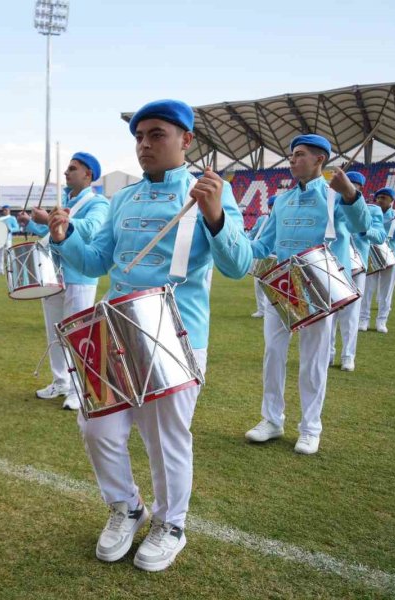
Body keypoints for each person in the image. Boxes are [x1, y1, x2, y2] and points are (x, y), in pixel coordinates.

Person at [47, 100, 252, 571]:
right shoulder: (123, 198)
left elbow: (238, 265)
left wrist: (216, 214)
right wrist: (64, 238)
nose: (144, 145)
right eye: (139, 137)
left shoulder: (209, 192)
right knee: (95, 427)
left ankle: (171, 523)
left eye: (157, 134)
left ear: (187, 140)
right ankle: (126, 507)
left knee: (166, 438)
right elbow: (96, 260)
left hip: (176, 333)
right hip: (115, 328)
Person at [245, 134, 371, 455]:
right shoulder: (283, 201)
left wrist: (351, 194)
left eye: (299, 154)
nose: (292, 160)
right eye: (291, 155)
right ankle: (271, 420)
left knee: (313, 360)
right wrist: (234, 245)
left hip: (318, 286)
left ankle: (310, 427)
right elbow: (263, 245)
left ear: (320, 160)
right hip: (283, 284)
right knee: (273, 354)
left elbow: (362, 225)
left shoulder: (333, 197)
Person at [18, 152, 109, 410]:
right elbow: (52, 231)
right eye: (67, 168)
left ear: (88, 174)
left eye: (73, 168)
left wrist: (48, 218)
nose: (66, 173)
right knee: (55, 333)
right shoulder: (66, 201)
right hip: (52, 274)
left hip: (80, 274)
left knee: (78, 334)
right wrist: (34, 223)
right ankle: (60, 381)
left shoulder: (98, 203)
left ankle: (79, 389)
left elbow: (90, 229)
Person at [328, 172, 385, 370]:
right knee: (329, 313)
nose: (348, 186)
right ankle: (329, 354)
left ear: (360, 188)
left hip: (357, 267)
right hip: (334, 265)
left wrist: (363, 228)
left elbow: (380, 236)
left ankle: (348, 356)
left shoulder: (372, 210)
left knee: (351, 315)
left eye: (354, 185)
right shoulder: (331, 204)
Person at [359, 187, 395, 333]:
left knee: (386, 292)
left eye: (384, 198)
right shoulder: (371, 213)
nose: (380, 200)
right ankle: (364, 319)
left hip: (391, 257)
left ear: (391, 200)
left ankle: (382, 321)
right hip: (371, 255)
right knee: (367, 289)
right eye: (379, 197)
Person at [246, 195, 275, 318]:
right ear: (269, 207)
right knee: (259, 283)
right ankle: (262, 310)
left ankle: (274, 310)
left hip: (277, 256)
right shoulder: (263, 219)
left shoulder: (285, 218)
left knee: (275, 285)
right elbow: (253, 234)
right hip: (263, 255)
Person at [0, 205, 20, 275]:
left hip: (7, 239)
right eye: (4, 210)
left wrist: (10, 229)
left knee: (8, 254)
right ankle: (0, 270)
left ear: (9, 210)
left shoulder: (12, 218)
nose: (5, 211)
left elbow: (17, 228)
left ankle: (9, 269)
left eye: (6, 210)